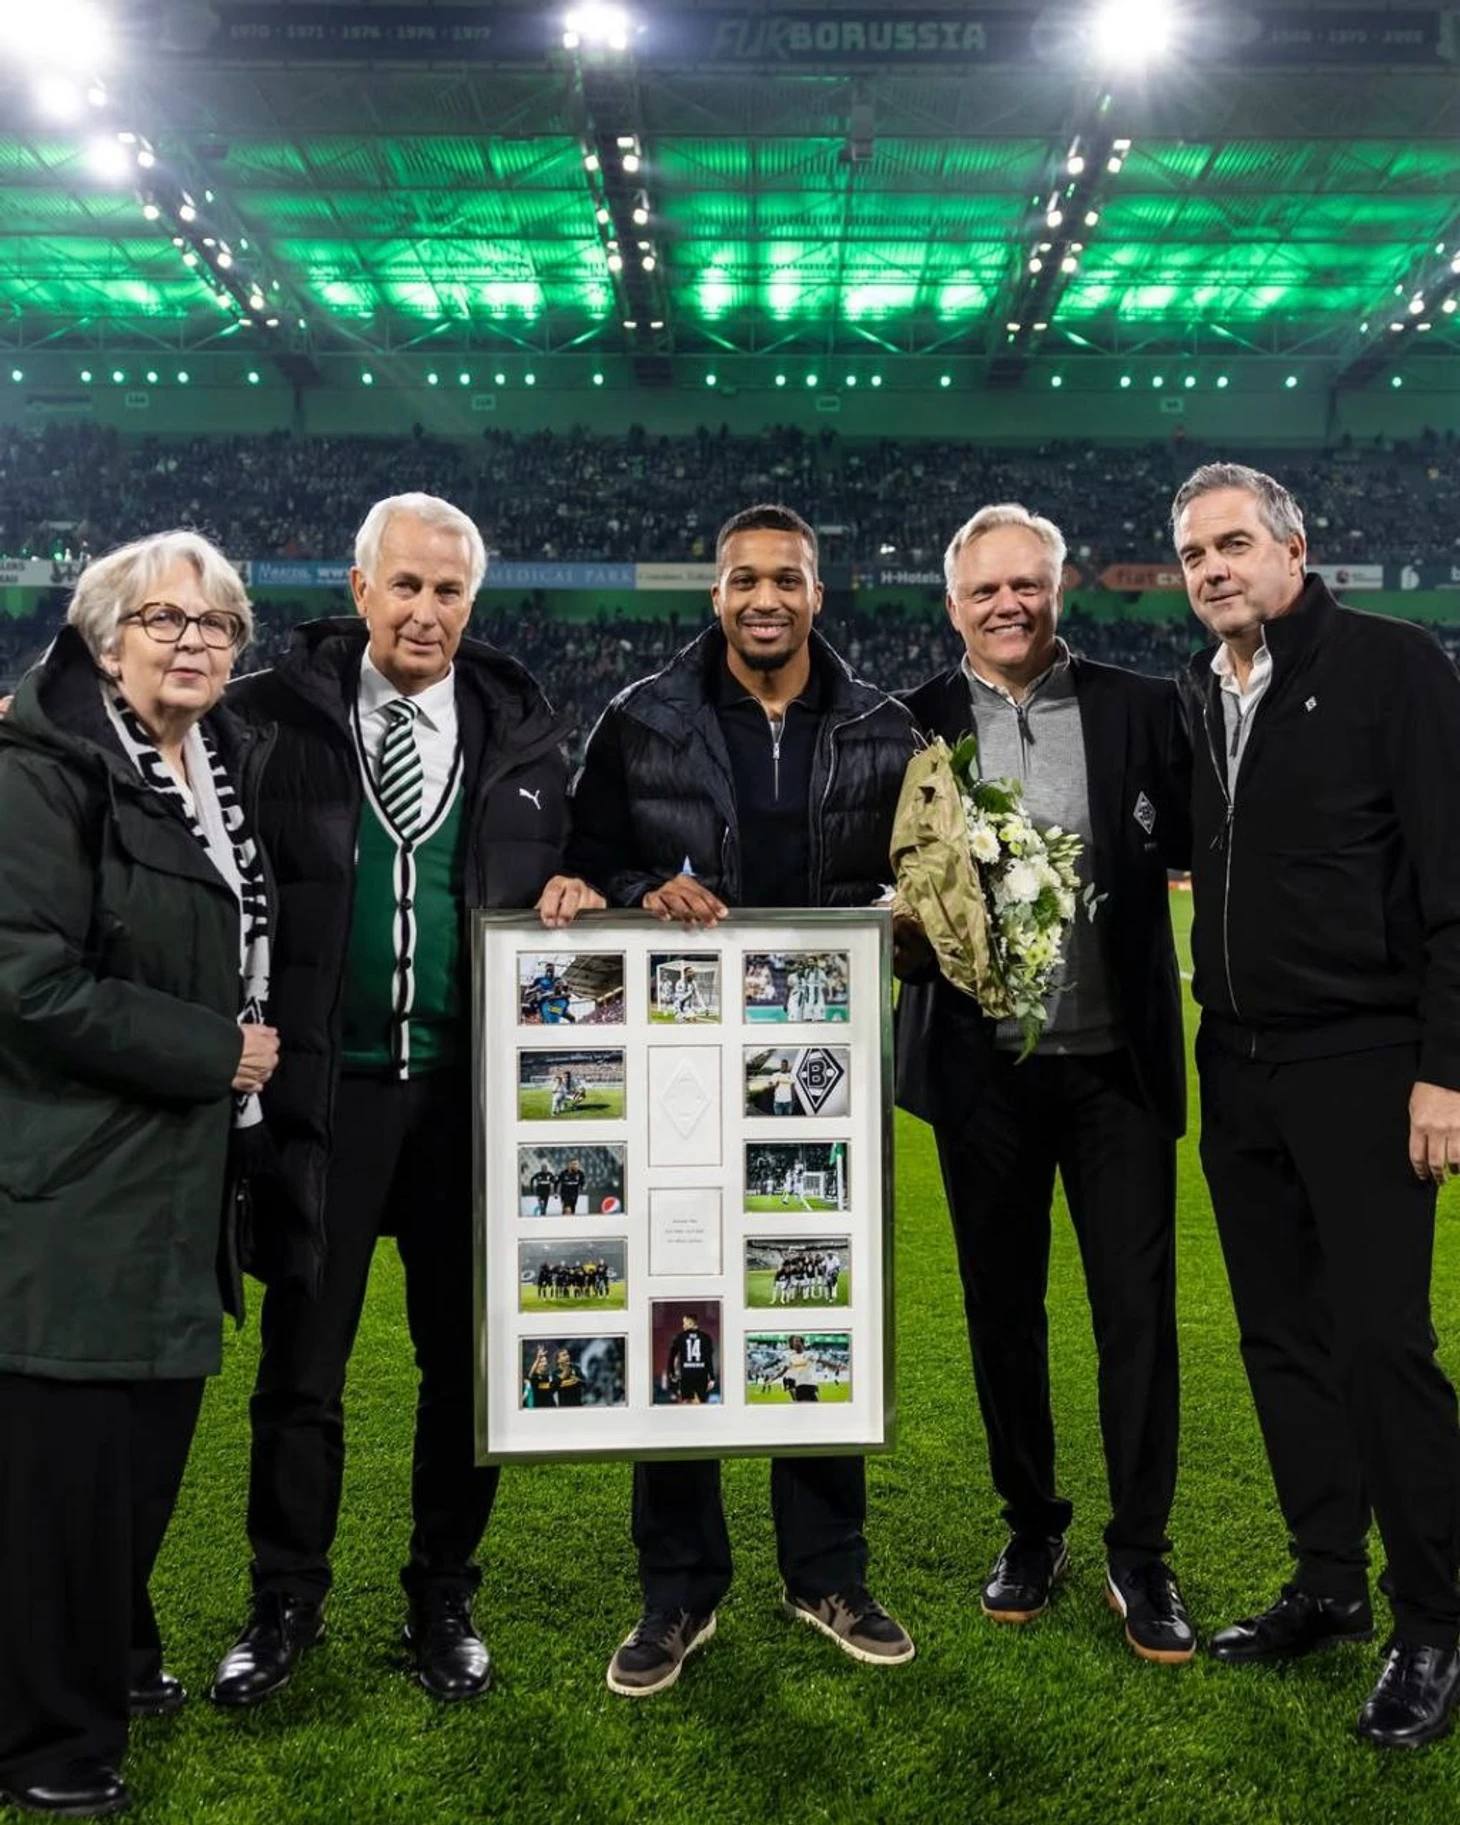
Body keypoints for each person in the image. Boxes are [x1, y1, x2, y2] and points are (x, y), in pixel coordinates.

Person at [208, 492, 601, 1711]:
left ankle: (443, 1594)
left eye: (448, 591)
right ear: (360, 588)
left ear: (470, 603)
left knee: (464, 1368)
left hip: (466, 1107)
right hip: (324, 1096)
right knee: (301, 1367)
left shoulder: (525, 737)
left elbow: (579, 870)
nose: (425, 611)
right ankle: (285, 1598)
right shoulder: (264, 720)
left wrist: (584, 883)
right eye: (406, 585)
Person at [570, 501, 918, 1697]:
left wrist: (908, 924)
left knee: (812, 1298)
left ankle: (827, 1570)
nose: (763, 597)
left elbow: (924, 893)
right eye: (742, 579)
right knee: (679, 1303)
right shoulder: (640, 719)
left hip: (820, 1068)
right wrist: (639, 891)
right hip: (677, 1061)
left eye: (786, 578)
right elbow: (583, 869)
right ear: (713, 594)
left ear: (819, 592)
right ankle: (677, 1587)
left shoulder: (884, 728)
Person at [1171, 461, 1460, 1747]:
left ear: (1293, 548)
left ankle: (1434, 1619)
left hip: (1364, 1060)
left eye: (1233, 543)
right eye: (1194, 553)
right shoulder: (1201, 690)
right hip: (1234, 1061)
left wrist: (1445, 1069)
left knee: (1381, 1343)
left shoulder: (1392, 665)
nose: (1212, 568)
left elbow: (1453, 880)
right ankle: (1328, 1581)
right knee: (1279, 1338)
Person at [0, 532, 278, 1820]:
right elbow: (27, 982)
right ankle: (45, 1739)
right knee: (64, 1473)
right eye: (165, 619)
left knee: (143, 1447)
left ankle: (110, 1650)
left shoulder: (210, 762)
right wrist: (216, 1050)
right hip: (74, 1178)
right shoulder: (40, 768)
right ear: (103, 638)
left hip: (173, 1176)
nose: (194, 641)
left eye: (216, 623)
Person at [895, 502, 1195, 1664]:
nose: (1006, 604)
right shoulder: (907, 721)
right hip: (980, 1073)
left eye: (1025, 583)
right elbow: (866, 870)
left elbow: (1209, 843)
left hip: (1114, 1066)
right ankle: (1031, 1524)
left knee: (1136, 1315)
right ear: (951, 605)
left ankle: (1140, 1548)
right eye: (984, 589)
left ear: (1057, 588)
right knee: (1000, 1311)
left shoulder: (1140, 707)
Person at [667, 1315, 716, 1405]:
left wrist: (672, 1373)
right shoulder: (706, 1337)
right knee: (700, 1403)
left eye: (684, 1323)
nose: (683, 1326)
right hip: (701, 1376)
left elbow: (672, 1357)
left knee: (688, 1402)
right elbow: (708, 1358)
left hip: (687, 1376)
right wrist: (712, 1378)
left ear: (690, 1323)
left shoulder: (680, 1337)